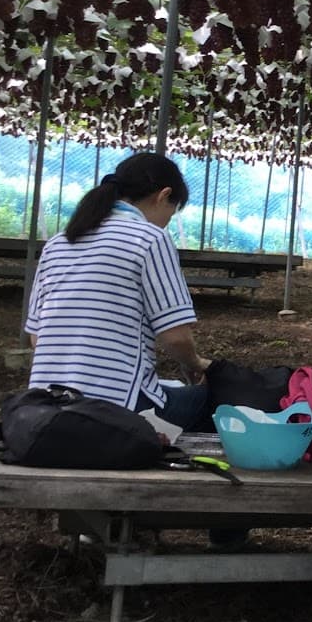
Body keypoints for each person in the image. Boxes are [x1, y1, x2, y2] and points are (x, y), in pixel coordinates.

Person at [25, 152, 211, 432]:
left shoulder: (58, 243)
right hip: (117, 409)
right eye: (171, 213)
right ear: (163, 196)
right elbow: (175, 337)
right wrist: (198, 364)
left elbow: (36, 337)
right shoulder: (149, 238)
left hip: (44, 408)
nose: (166, 222)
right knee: (215, 399)